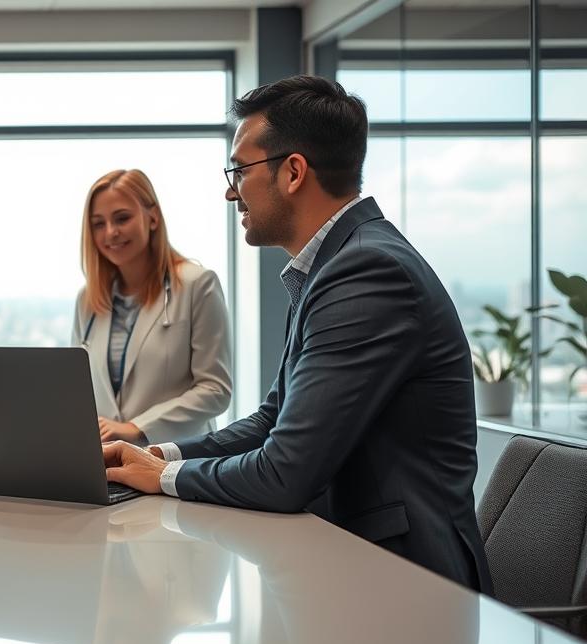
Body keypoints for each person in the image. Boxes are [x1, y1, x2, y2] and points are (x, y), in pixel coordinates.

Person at [101, 75, 494, 594]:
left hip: (409, 586)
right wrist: (162, 457)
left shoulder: (366, 271)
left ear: (292, 172)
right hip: (354, 562)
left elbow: (286, 473)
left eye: (239, 170)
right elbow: (272, 421)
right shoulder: (332, 265)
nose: (229, 189)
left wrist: (162, 478)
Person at [73, 169, 232, 445]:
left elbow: (215, 389)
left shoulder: (197, 284)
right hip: (108, 462)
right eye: (98, 224)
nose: (111, 232)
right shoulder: (88, 299)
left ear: (153, 217)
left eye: (122, 218)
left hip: (176, 460)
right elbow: (76, 389)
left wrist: (137, 427)